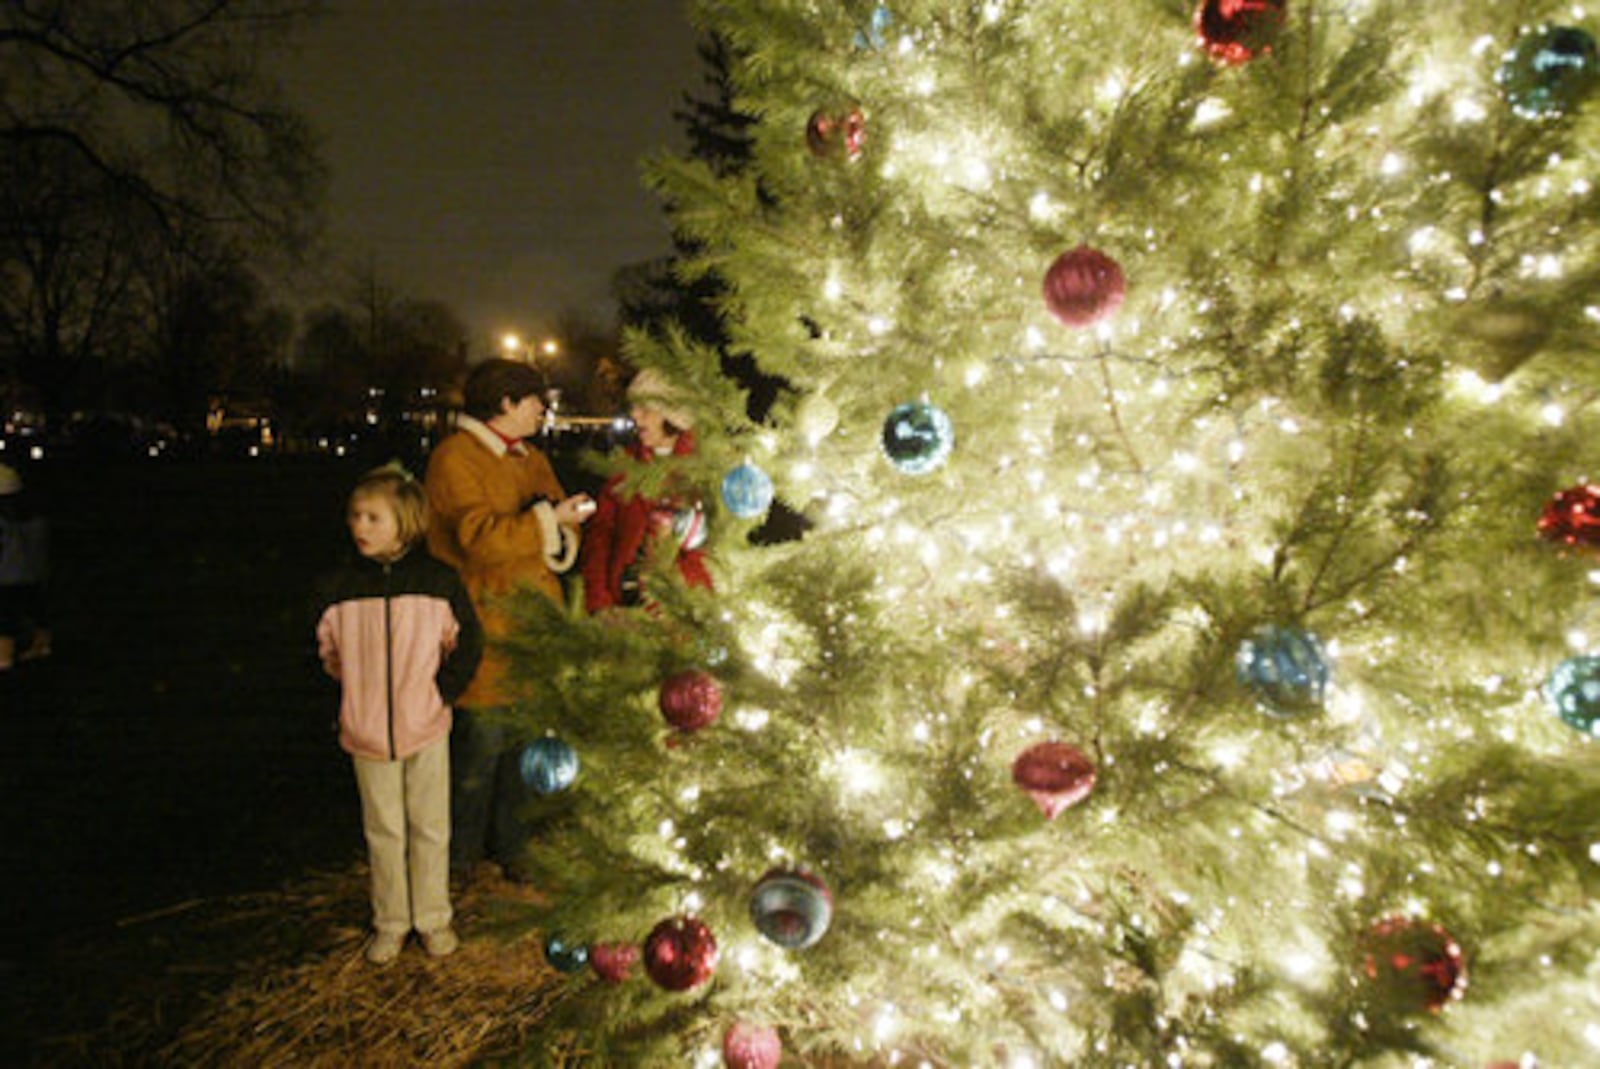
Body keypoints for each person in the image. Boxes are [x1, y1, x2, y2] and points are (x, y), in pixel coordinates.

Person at [423, 359, 592, 878]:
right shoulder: (455, 459)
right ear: (506, 403)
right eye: (535, 400)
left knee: (521, 748)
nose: (543, 409)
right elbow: (477, 540)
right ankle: (456, 859)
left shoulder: (530, 457)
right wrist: (546, 521)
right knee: (479, 749)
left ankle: (513, 848)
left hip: (530, 627)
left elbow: (560, 520)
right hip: (485, 625)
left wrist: (561, 523)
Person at [314, 464, 483, 965]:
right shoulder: (340, 585)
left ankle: (433, 918)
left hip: (426, 727)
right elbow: (326, 651)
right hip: (366, 731)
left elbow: (467, 641)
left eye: (372, 517)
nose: (359, 527)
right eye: (355, 516)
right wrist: (351, 697)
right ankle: (391, 921)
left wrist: (441, 693)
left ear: (405, 522)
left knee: (430, 827)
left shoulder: (437, 582)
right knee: (383, 832)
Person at [582, 368, 714, 614]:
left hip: (683, 614)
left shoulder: (702, 471)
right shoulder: (625, 466)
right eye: (634, 408)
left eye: (646, 409)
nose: (635, 416)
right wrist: (599, 601)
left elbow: (711, 547)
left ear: (673, 416)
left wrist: (677, 597)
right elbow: (600, 535)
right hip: (622, 613)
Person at [0, 463, 50, 671]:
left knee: (4, 617)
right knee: (34, 610)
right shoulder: (33, 516)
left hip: (6, 575)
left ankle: (4, 656)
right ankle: (42, 645)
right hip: (34, 572)